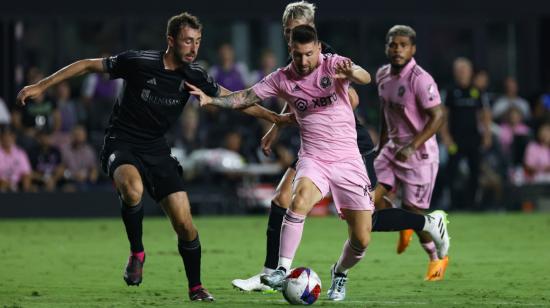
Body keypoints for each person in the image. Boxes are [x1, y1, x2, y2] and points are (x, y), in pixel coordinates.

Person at [16, 12, 287, 302]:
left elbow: (235, 99)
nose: (194, 48)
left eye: (197, 41)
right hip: (121, 141)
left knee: (184, 223)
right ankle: (137, 252)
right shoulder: (139, 61)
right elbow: (85, 65)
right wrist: (41, 86)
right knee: (133, 189)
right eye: (187, 41)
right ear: (170, 41)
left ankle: (196, 288)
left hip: (157, 149)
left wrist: (275, 117)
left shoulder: (194, 76)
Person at [188, 24, 449, 302]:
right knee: (297, 199)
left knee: (362, 236)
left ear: (318, 50)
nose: (303, 61)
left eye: (309, 54)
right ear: (290, 50)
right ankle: (281, 270)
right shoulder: (281, 78)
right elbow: (245, 97)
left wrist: (351, 72)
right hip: (314, 158)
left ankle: (340, 272)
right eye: (298, 55)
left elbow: (364, 76)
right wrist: (211, 100)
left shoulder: (332, 64)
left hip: (349, 160)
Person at [373, 25, 449, 281]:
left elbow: (438, 116)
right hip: (392, 149)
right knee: (368, 197)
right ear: (387, 47)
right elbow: (386, 113)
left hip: (419, 155)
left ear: (413, 49)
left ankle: (436, 259)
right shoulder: (382, 75)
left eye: (403, 45)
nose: (397, 49)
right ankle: (401, 220)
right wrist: (381, 145)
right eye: (393, 44)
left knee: (414, 214)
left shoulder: (421, 79)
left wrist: (413, 145)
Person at [440, 57, 492, 210]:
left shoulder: (477, 92)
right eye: (459, 70)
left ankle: (473, 204)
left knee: (475, 171)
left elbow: (485, 115)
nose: (462, 73)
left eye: (465, 70)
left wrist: (487, 135)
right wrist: (446, 138)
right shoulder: (449, 91)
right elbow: (443, 117)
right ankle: (453, 204)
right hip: (455, 140)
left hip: (474, 138)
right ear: (455, 73)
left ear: (470, 72)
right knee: (452, 172)